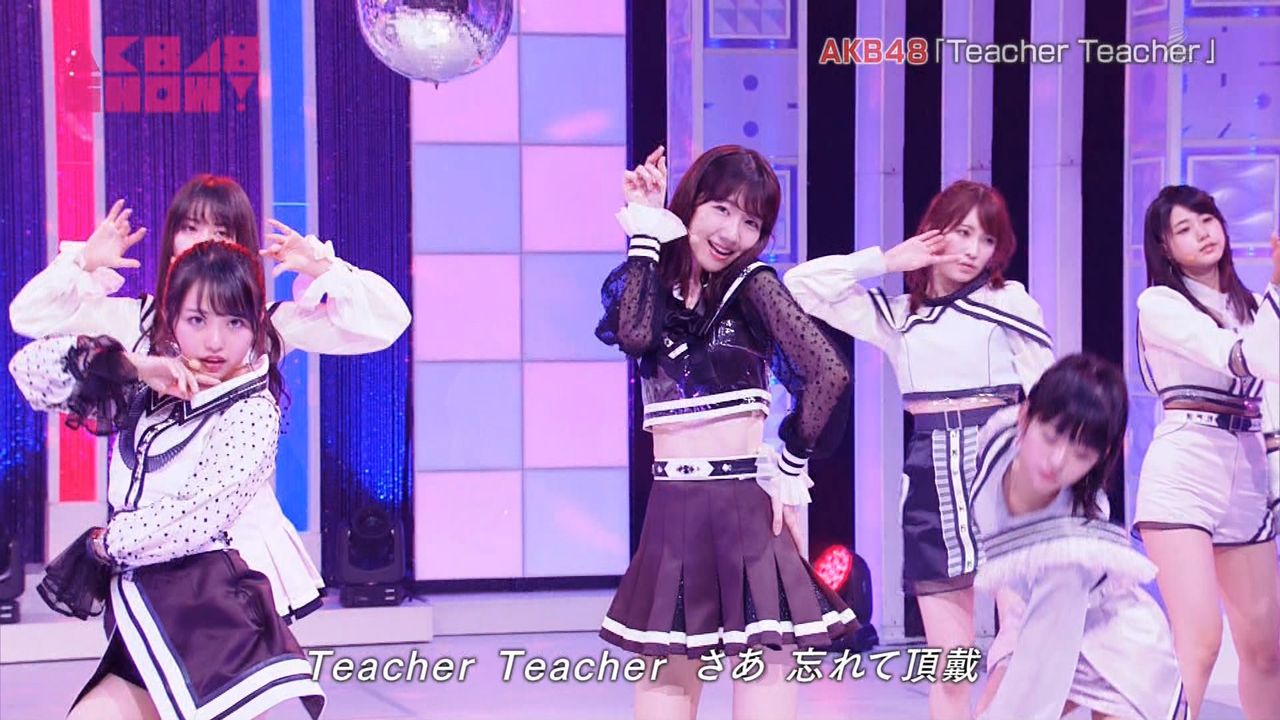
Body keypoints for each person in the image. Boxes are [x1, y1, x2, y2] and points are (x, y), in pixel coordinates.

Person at [11, 241, 325, 720]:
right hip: (146, 607)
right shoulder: (149, 383)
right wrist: (135, 366)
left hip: (212, 620)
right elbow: (29, 371)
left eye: (234, 322)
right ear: (171, 319)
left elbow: (196, 517)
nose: (215, 341)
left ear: (257, 326)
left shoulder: (252, 410)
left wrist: (105, 543)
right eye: (197, 320)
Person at [596, 145, 857, 720]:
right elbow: (634, 335)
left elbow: (829, 373)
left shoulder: (754, 286)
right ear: (691, 204)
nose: (732, 233)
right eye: (721, 210)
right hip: (672, 509)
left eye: (751, 222)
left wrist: (789, 466)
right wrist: (645, 225)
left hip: (747, 511)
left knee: (764, 681)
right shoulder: (652, 285)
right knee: (663, 695)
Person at [784, 180, 1055, 718]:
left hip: (1005, 473)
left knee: (1022, 638)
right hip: (932, 480)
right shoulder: (898, 316)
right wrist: (886, 260)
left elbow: (1049, 393)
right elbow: (799, 285)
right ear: (933, 233)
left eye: (987, 239)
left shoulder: (1008, 302)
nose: (973, 250)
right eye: (962, 233)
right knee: (951, 660)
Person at [971, 354, 1186, 720]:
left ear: (1101, 458)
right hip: (1038, 619)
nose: (1057, 460)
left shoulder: (1072, 545)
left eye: (1081, 453)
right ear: (1024, 416)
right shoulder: (996, 446)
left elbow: (1043, 659)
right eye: (1051, 436)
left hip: (1116, 648)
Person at [1132, 185, 1280, 719]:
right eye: (1184, 228)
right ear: (1165, 248)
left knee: (1266, 650)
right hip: (1184, 472)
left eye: (1207, 219)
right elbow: (1245, 357)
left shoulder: (1252, 306)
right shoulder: (1159, 304)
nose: (1202, 233)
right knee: (1199, 644)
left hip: (1248, 473)